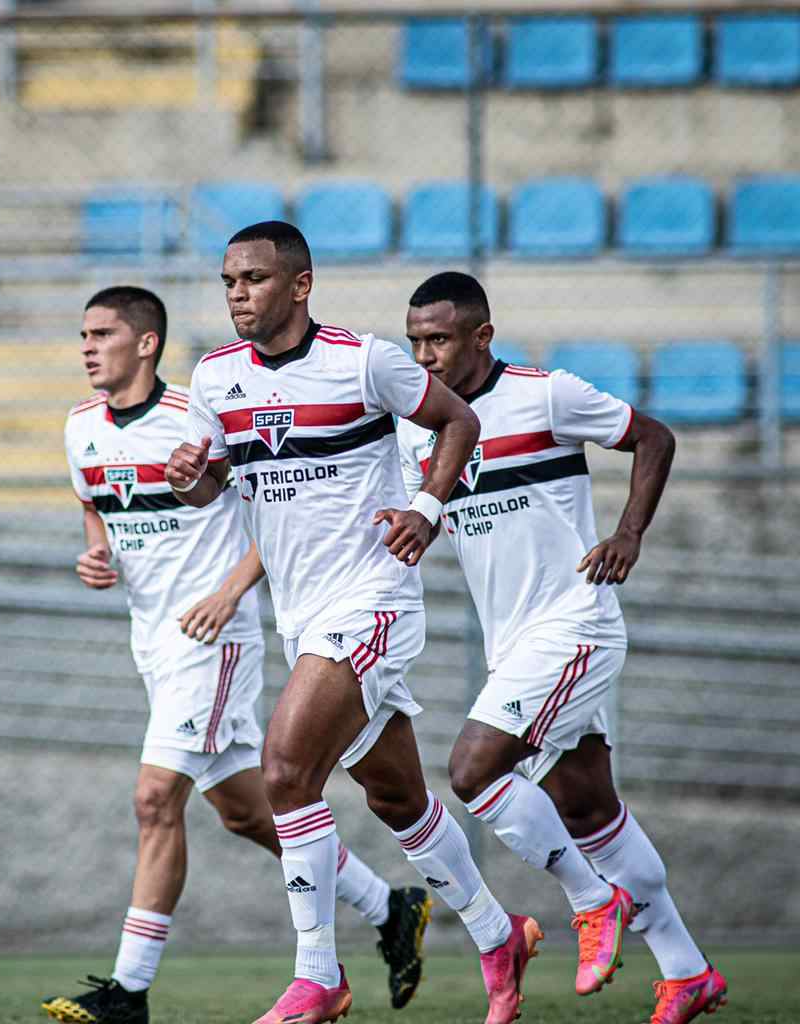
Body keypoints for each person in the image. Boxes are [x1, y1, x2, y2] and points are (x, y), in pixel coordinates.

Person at [166, 224, 540, 1024]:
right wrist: (192, 482)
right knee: (396, 796)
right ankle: (495, 930)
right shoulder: (214, 378)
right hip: (299, 616)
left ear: (300, 285)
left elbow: (459, 424)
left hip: (372, 598)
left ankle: (318, 976)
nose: (237, 293)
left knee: (283, 771)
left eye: (255, 279)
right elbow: (214, 491)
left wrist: (428, 509)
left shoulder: (364, 360)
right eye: (229, 279)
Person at [44, 286, 432, 1024]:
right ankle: (390, 909)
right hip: (152, 642)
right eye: (83, 334)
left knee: (155, 798)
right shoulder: (80, 427)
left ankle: (128, 992)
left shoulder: (196, 412)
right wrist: (97, 555)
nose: (88, 347)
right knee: (248, 813)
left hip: (213, 641)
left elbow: (270, 506)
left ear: (146, 343)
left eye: (102, 333)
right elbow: (95, 504)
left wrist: (230, 593)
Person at [396, 271, 727, 1024]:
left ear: (481, 336)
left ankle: (590, 900)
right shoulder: (421, 426)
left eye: (439, 340)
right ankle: (687, 971)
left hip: (575, 624)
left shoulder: (546, 394)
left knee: (473, 771)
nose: (425, 357)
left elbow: (654, 436)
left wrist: (629, 533)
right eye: (414, 341)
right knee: (587, 807)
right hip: (511, 641)